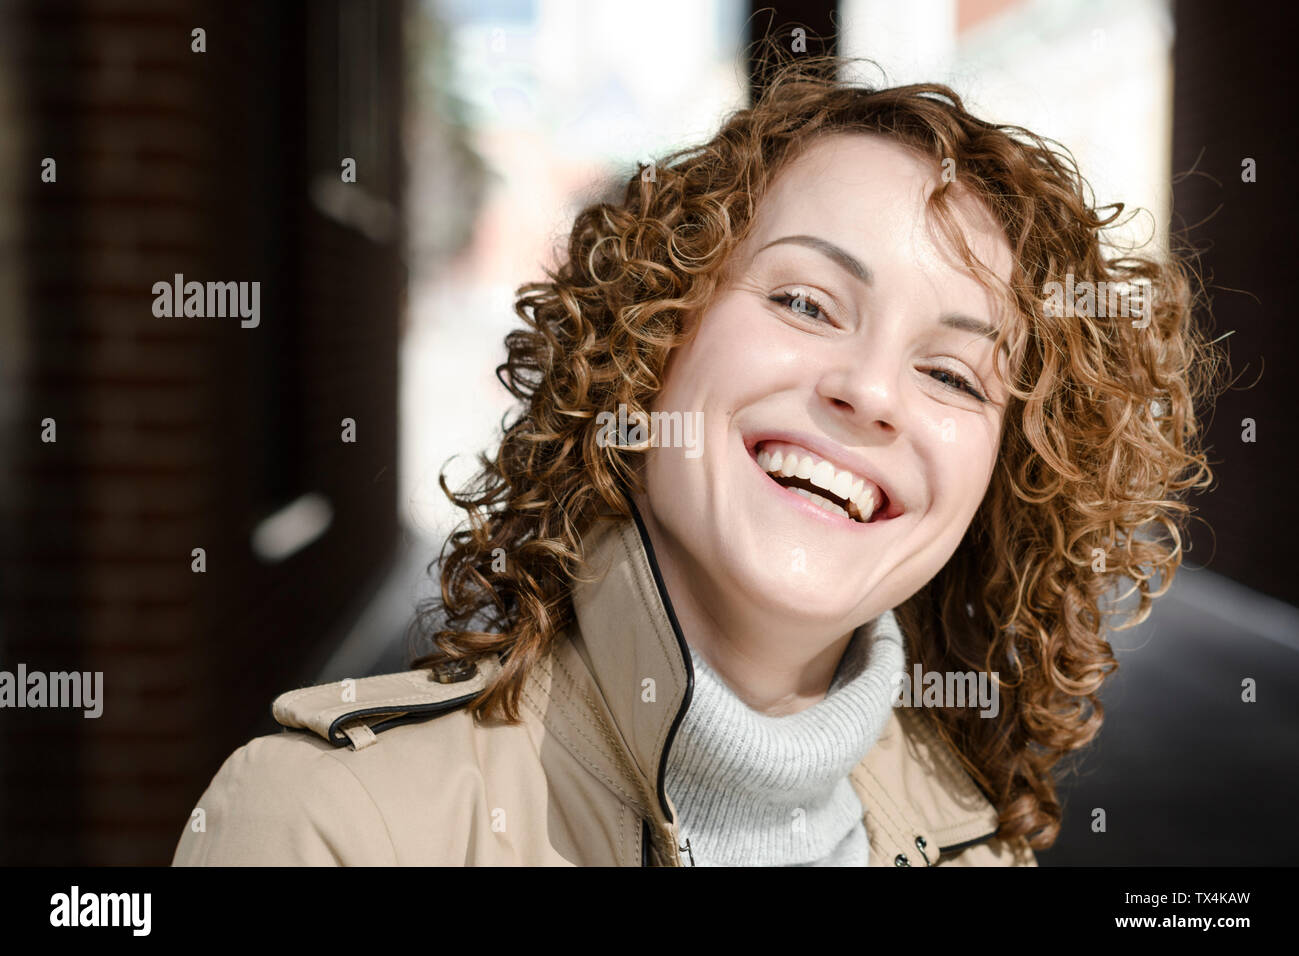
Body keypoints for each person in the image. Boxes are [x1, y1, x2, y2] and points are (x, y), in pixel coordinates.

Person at [171, 49, 1217, 867]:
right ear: (650, 343)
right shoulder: (326, 827)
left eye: (952, 373)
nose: (868, 389)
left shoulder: (978, 843)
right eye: (806, 301)